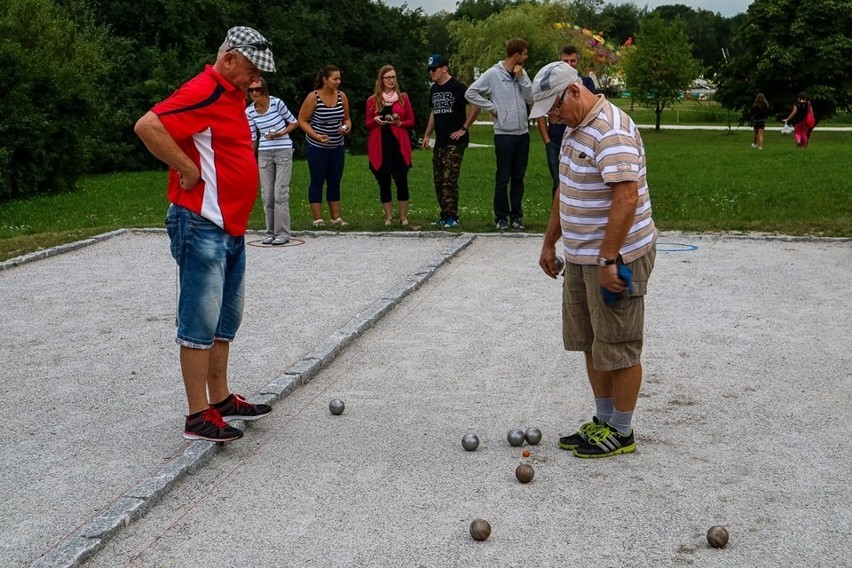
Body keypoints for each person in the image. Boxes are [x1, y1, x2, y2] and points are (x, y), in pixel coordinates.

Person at [134, 26, 275, 442]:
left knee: (224, 320)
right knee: (199, 321)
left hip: (228, 225)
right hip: (201, 222)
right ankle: (197, 416)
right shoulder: (206, 89)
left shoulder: (231, 93)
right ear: (229, 58)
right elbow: (148, 126)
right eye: (251, 70)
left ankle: (221, 399)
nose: (255, 80)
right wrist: (188, 169)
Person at [530, 61, 658, 459]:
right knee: (591, 341)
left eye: (554, 107)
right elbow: (564, 189)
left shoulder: (611, 130)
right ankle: (603, 421)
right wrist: (550, 243)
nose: (552, 117)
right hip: (583, 255)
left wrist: (607, 259)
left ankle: (622, 430)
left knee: (618, 342)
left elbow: (626, 198)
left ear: (574, 91)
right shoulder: (573, 129)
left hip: (615, 255)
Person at [465, 38, 534, 231]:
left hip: (523, 133)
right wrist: (491, 107)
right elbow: (471, 93)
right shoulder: (493, 74)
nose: (526, 58)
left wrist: (522, 79)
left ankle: (517, 216)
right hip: (504, 134)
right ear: (516, 55)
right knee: (503, 177)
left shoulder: (522, 73)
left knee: (519, 177)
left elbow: (531, 98)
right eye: (525, 54)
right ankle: (501, 216)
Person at [422, 54, 479, 229]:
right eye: (429, 70)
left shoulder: (457, 87)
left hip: (455, 142)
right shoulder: (434, 89)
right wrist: (427, 134)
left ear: (444, 68)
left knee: (449, 179)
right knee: (438, 179)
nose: (431, 72)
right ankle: (444, 214)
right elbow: (434, 112)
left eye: (434, 69)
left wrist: (464, 128)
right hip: (440, 140)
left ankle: (453, 217)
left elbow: (475, 105)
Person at [536, 45, 597, 197]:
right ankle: (560, 217)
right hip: (556, 141)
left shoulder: (586, 82)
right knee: (558, 183)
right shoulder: (551, 84)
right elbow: (541, 113)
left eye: (573, 61)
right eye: (565, 61)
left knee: (578, 183)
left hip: (580, 140)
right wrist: (547, 140)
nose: (569, 64)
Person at [245, 77, 299, 245]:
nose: (254, 93)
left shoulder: (276, 103)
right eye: (251, 90)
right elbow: (253, 136)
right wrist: (249, 158)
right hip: (264, 152)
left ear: (264, 90)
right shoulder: (249, 111)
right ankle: (270, 232)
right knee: (267, 195)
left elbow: (294, 122)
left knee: (279, 193)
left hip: (283, 149)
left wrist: (281, 133)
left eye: (258, 89)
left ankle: (283, 233)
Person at [298, 65, 352, 227]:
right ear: (325, 79)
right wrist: (316, 135)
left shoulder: (342, 96)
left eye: (339, 79)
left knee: (334, 180)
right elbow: (302, 120)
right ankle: (318, 218)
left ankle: (336, 217)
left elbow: (347, 119)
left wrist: (346, 127)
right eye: (335, 79)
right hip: (317, 147)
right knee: (317, 180)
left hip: (337, 146)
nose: (338, 82)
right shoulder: (313, 97)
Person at [365, 65, 415, 226]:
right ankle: (388, 217)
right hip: (380, 144)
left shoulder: (403, 98)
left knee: (401, 178)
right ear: (381, 80)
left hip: (398, 143)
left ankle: (403, 217)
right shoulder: (373, 100)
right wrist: (375, 121)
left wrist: (400, 123)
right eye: (388, 77)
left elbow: (411, 121)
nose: (392, 80)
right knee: (384, 180)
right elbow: (367, 123)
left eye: (394, 77)